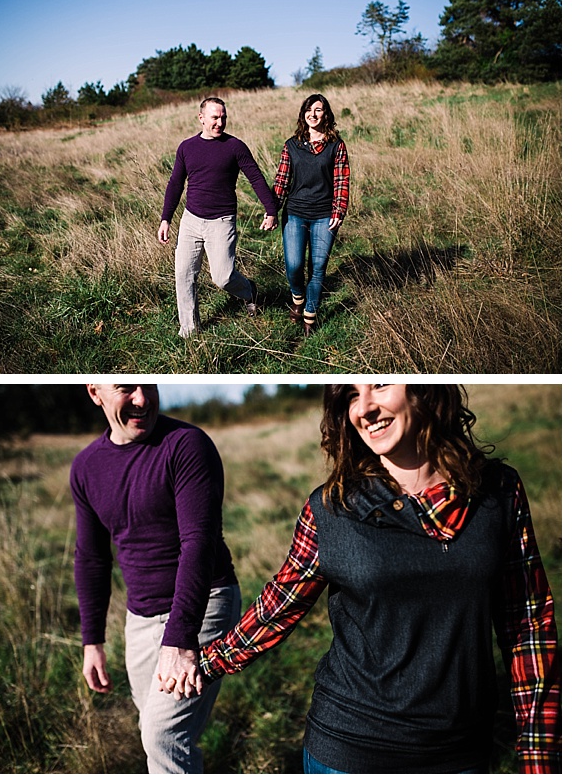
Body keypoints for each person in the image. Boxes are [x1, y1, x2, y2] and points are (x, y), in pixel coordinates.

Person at [172, 385, 560, 774]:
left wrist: (540, 759)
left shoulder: (498, 492)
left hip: (461, 755)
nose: (365, 408)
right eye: (351, 397)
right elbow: (280, 605)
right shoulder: (332, 507)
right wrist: (203, 662)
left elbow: (529, 625)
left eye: (378, 385)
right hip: (349, 753)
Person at [72, 384, 242, 773]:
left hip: (203, 603)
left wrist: (180, 640)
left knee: (163, 736)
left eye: (148, 384)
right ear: (94, 392)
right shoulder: (86, 467)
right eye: (124, 388)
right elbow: (92, 558)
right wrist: (92, 641)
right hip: (141, 618)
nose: (142, 399)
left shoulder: (186, 445)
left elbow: (199, 542)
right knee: (152, 731)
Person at [158, 97, 279, 338]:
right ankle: (190, 330)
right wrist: (166, 218)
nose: (220, 122)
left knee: (222, 277)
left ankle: (248, 291)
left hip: (221, 221)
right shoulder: (186, 147)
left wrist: (271, 209)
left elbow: (255, 177)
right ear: (201, 118)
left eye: (223, 117)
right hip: (191, 220)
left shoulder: (235, 147)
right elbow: (175, 184)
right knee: (184, 275)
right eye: (215, 117)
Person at [273, 94, 350, 338]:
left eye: (319, 110)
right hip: (295, 213)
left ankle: (310, 316)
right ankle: (298, 296)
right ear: (303, 113)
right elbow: (282, 181)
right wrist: (271, 210)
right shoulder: (292, 145)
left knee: (318, 268)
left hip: (324, 215)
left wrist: (339, 210)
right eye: (309, 109)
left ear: (326, 114)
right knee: (294, 265)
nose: (313, 114)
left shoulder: (336, 146)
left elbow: (341, 180)